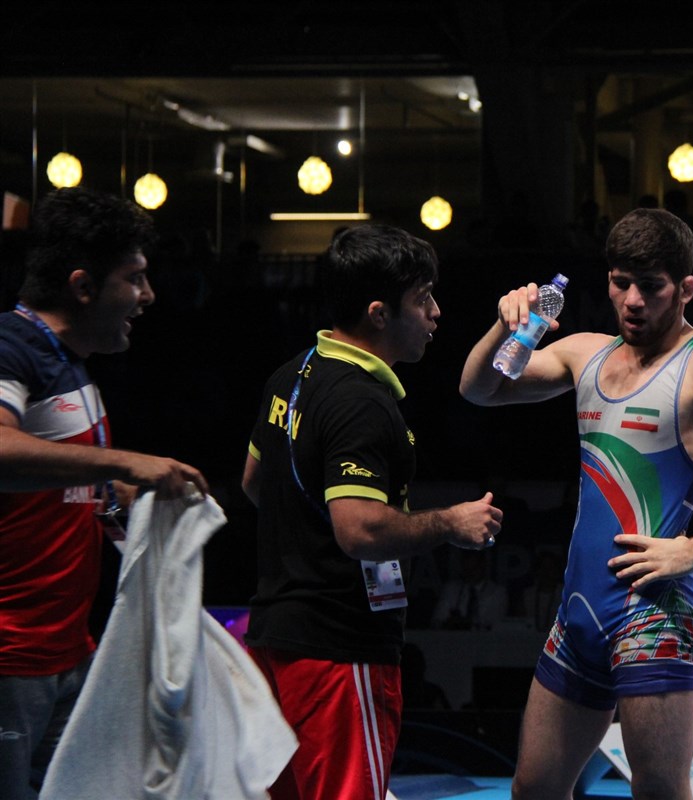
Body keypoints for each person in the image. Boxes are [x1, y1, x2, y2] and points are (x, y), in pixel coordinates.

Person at [459, 207, 693, 799]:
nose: (632, 301)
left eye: (651, 287)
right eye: (621, 283)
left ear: (686, 289)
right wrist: (505, 326)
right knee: (533, 789)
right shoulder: (585, 354)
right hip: (578, 612)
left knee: (658, 792)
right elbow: (481, 388)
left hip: (652, 614)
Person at [241, 224, 503, 800]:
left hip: (275, 642)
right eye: (423, 298)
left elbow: (255, 482)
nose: (435, 312)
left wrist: (307, 542)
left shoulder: (292, 374)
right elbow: (359, 530)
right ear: (379, 313)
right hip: (339, 650)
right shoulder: (360, 401)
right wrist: (450, 523)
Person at [0, 187, 209, 797]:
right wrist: (126, 461)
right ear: (83, 286)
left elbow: (55, 486)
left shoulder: (70, 364)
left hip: (68, 652)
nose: (148, 296)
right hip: (11, 659)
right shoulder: (11, 347)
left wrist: (121, 494)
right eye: (134, 278)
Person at [431, 549, 509, 630]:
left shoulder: (497, 592)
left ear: (483, 567)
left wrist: (466, 625)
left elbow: (495, 624)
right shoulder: (451, 589)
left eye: (474, 569)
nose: (470, 573)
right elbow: (437, 620)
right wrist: (448, 623)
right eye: (467, 569)